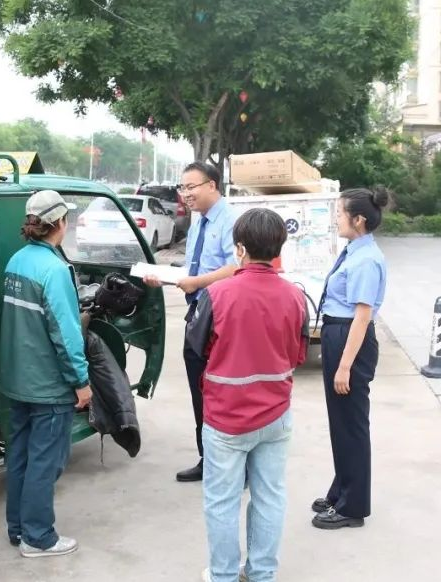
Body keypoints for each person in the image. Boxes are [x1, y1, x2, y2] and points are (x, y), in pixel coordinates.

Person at [186, 208, 309, 582]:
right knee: (270, 496)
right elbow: (298, 355)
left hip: (226, 418)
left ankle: (223, 575)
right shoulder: (296, 297)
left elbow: (197, 348)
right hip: (276, 414)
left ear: (239, 249)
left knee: (222, 501)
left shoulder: (216, 294)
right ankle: (261, 573)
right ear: (278, 248)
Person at [0, 189, 93, 557]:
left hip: (17, 380)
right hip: (48, 386)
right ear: (60, 223)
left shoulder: (17, 261)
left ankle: (18, 529)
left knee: (20, 458)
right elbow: (66, 335)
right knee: (45, 462)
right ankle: (38, 538)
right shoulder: (54, 270)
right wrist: (81, 382)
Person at [145, 162, 238, 482]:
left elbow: (236, 268)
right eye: (182, 188)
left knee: (221, 392)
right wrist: (167, 277)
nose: (185, 194)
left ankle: (231, 465)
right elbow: (194, 268)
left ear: (212, 185)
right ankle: (207, 458)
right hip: (197, 311)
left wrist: (196, 282)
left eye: (191, 187)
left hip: (221, 317)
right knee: (200, 389)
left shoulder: (230, 220)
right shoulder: (199, 222)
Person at [311, 187, 389, 530]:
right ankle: (341, 490)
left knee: (352, 425)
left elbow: (362, 315)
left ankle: (352, 506)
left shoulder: (366, 259)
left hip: (349, 339)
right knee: (340, 422)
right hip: (338, 334)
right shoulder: (354, 251)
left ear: (358, 220)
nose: (336, 219)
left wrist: (344, 366)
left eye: (340, 213)